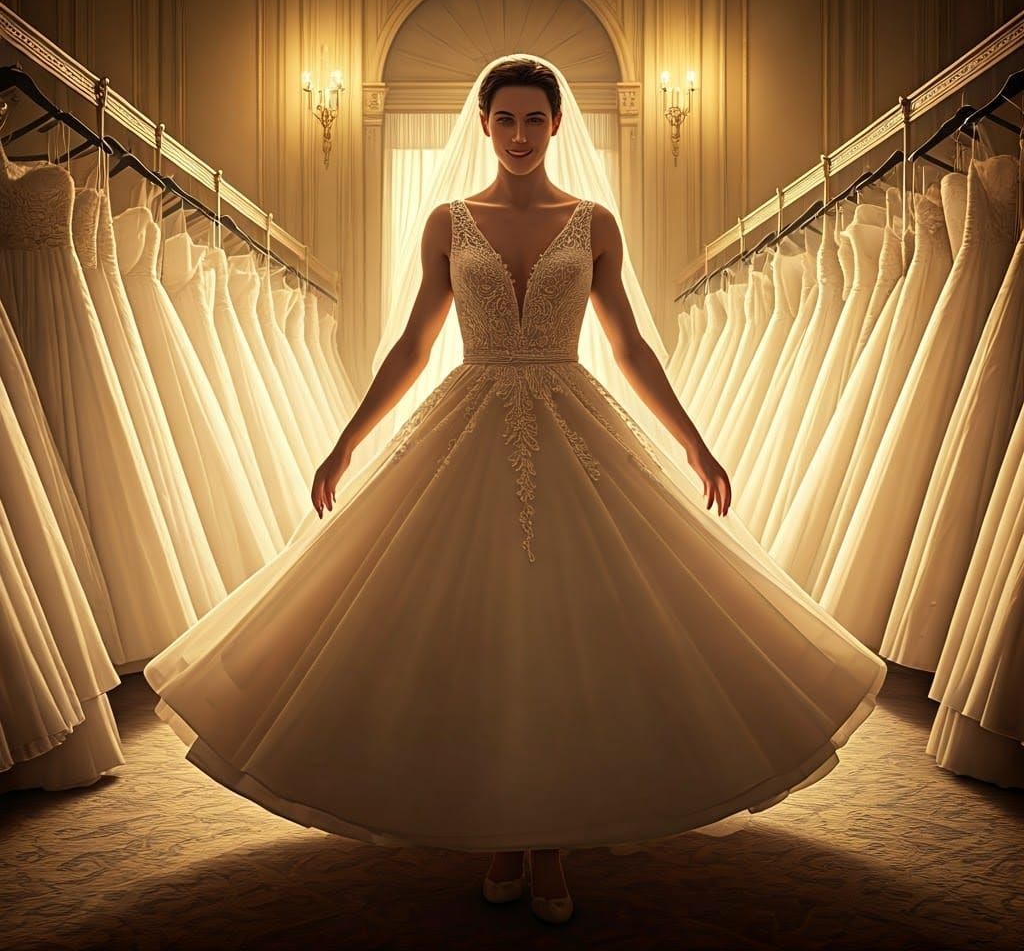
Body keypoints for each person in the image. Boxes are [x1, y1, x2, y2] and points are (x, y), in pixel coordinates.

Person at [145, 55, 885, 928]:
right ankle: (504, 829)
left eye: (537, 120)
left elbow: (631, 346)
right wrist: (346, 444)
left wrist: (694, 442)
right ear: (486, 123)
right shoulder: (448, 223)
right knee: (485, 624)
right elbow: (415, 348)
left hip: (577, 421)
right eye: (508, 120)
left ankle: (549, 840)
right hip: (470, 419)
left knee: (567, 625)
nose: (522, 136)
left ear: (557, 125)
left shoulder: (595, 222)